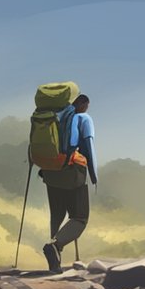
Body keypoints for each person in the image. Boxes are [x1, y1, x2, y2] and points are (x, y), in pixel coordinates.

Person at [41, 94, 98, 273]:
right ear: (81, 104)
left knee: (57, 214)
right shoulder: (83, 118)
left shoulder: (51, 117)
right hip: (73, 171)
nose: (87, 109)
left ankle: (55, 262)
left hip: (51, 170)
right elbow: (88, 146)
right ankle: (55, 246)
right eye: (86, 105)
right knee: (79, 217)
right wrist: (93, 175)